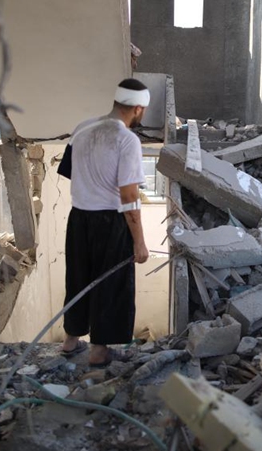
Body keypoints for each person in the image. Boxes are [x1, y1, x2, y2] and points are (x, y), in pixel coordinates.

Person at [60, 78, 150, 367]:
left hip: (78, 218)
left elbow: (72, 171)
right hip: (110, 222)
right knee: (110, 285)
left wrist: (93, 189)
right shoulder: (127, 140)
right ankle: (99, 352)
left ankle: (70, 341)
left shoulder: (82, 128)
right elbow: (129, 196)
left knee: (78, 278)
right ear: (138, 109)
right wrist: (139, 241)